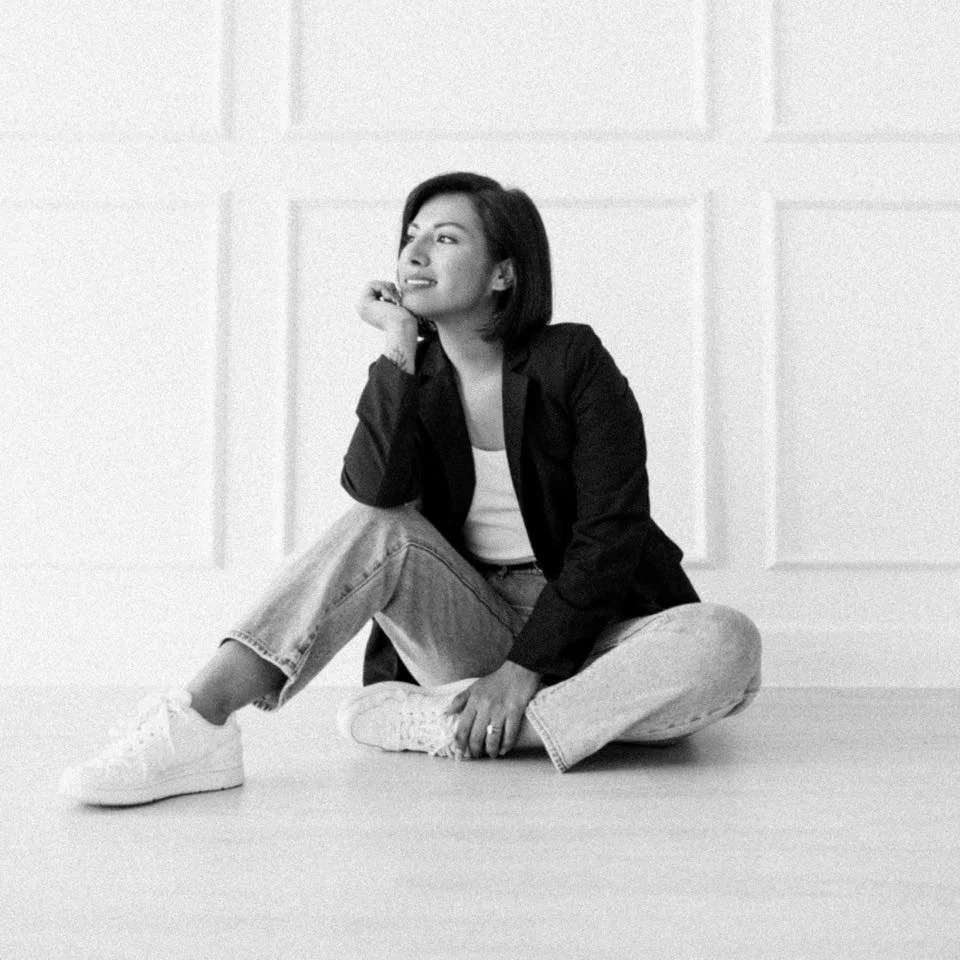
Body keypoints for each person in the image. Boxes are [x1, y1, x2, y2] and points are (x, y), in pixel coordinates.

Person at [60, 172, 761, 806]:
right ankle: (198, 720)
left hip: (596, 628)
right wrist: (399, 341)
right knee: (380, 524)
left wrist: (524, 671)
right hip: (471, 624)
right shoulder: (415, 378)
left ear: (503, 273)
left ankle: (448, 723)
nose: (415, 253)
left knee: (725, 641)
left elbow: (612, 533)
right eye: (411, 237)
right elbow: (376, 494)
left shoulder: (571, 359)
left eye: (446, 238)